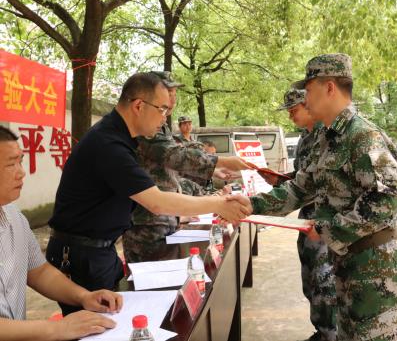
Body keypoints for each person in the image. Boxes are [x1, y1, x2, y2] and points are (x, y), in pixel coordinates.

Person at [46, 72, 252, 315]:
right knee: (97, 326)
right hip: (81, 256)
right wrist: (217, 204)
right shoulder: (109, 145)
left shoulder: (122, 138)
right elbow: (156, 201)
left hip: (101, 250)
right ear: (138, 105)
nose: (165, 116)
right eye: (162, 109)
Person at [248, 54, 397, 341]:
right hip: (347, 260)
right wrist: (249, 206)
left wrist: (326, 230)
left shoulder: (363, 136)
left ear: (330, 87)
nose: (305, 98)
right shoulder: (328, 139)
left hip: (375, 268)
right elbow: (301, 187)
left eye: (309, 90)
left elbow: (384, 204)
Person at [0, 125, 123, 341]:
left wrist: (84, 296)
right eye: (11, 164)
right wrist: (57, 329)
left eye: (20, 160)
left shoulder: (13, 216)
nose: (22, 172)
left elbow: (38, 271)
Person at [123, 71, 249, 263]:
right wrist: (220, 160)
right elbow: (174, 156)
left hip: (166, 216)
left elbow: (174, 162)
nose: (172, 97)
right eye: (168, 91)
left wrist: (214, 169)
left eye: (174, 92)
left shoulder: (161, 124)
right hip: (147, 221)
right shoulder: (147, 125)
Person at [268, 88, 337, 341]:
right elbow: (301, 180)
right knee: (310, 281)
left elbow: (313, 185)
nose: (290, 117)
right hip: (306, 221)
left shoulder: (327, 136)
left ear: (307, 106)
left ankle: (331, 334)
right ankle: (321, 331)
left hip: (324, 223)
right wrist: (279, 181)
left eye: (293, 111)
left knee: (324, 282)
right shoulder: (304, 140)